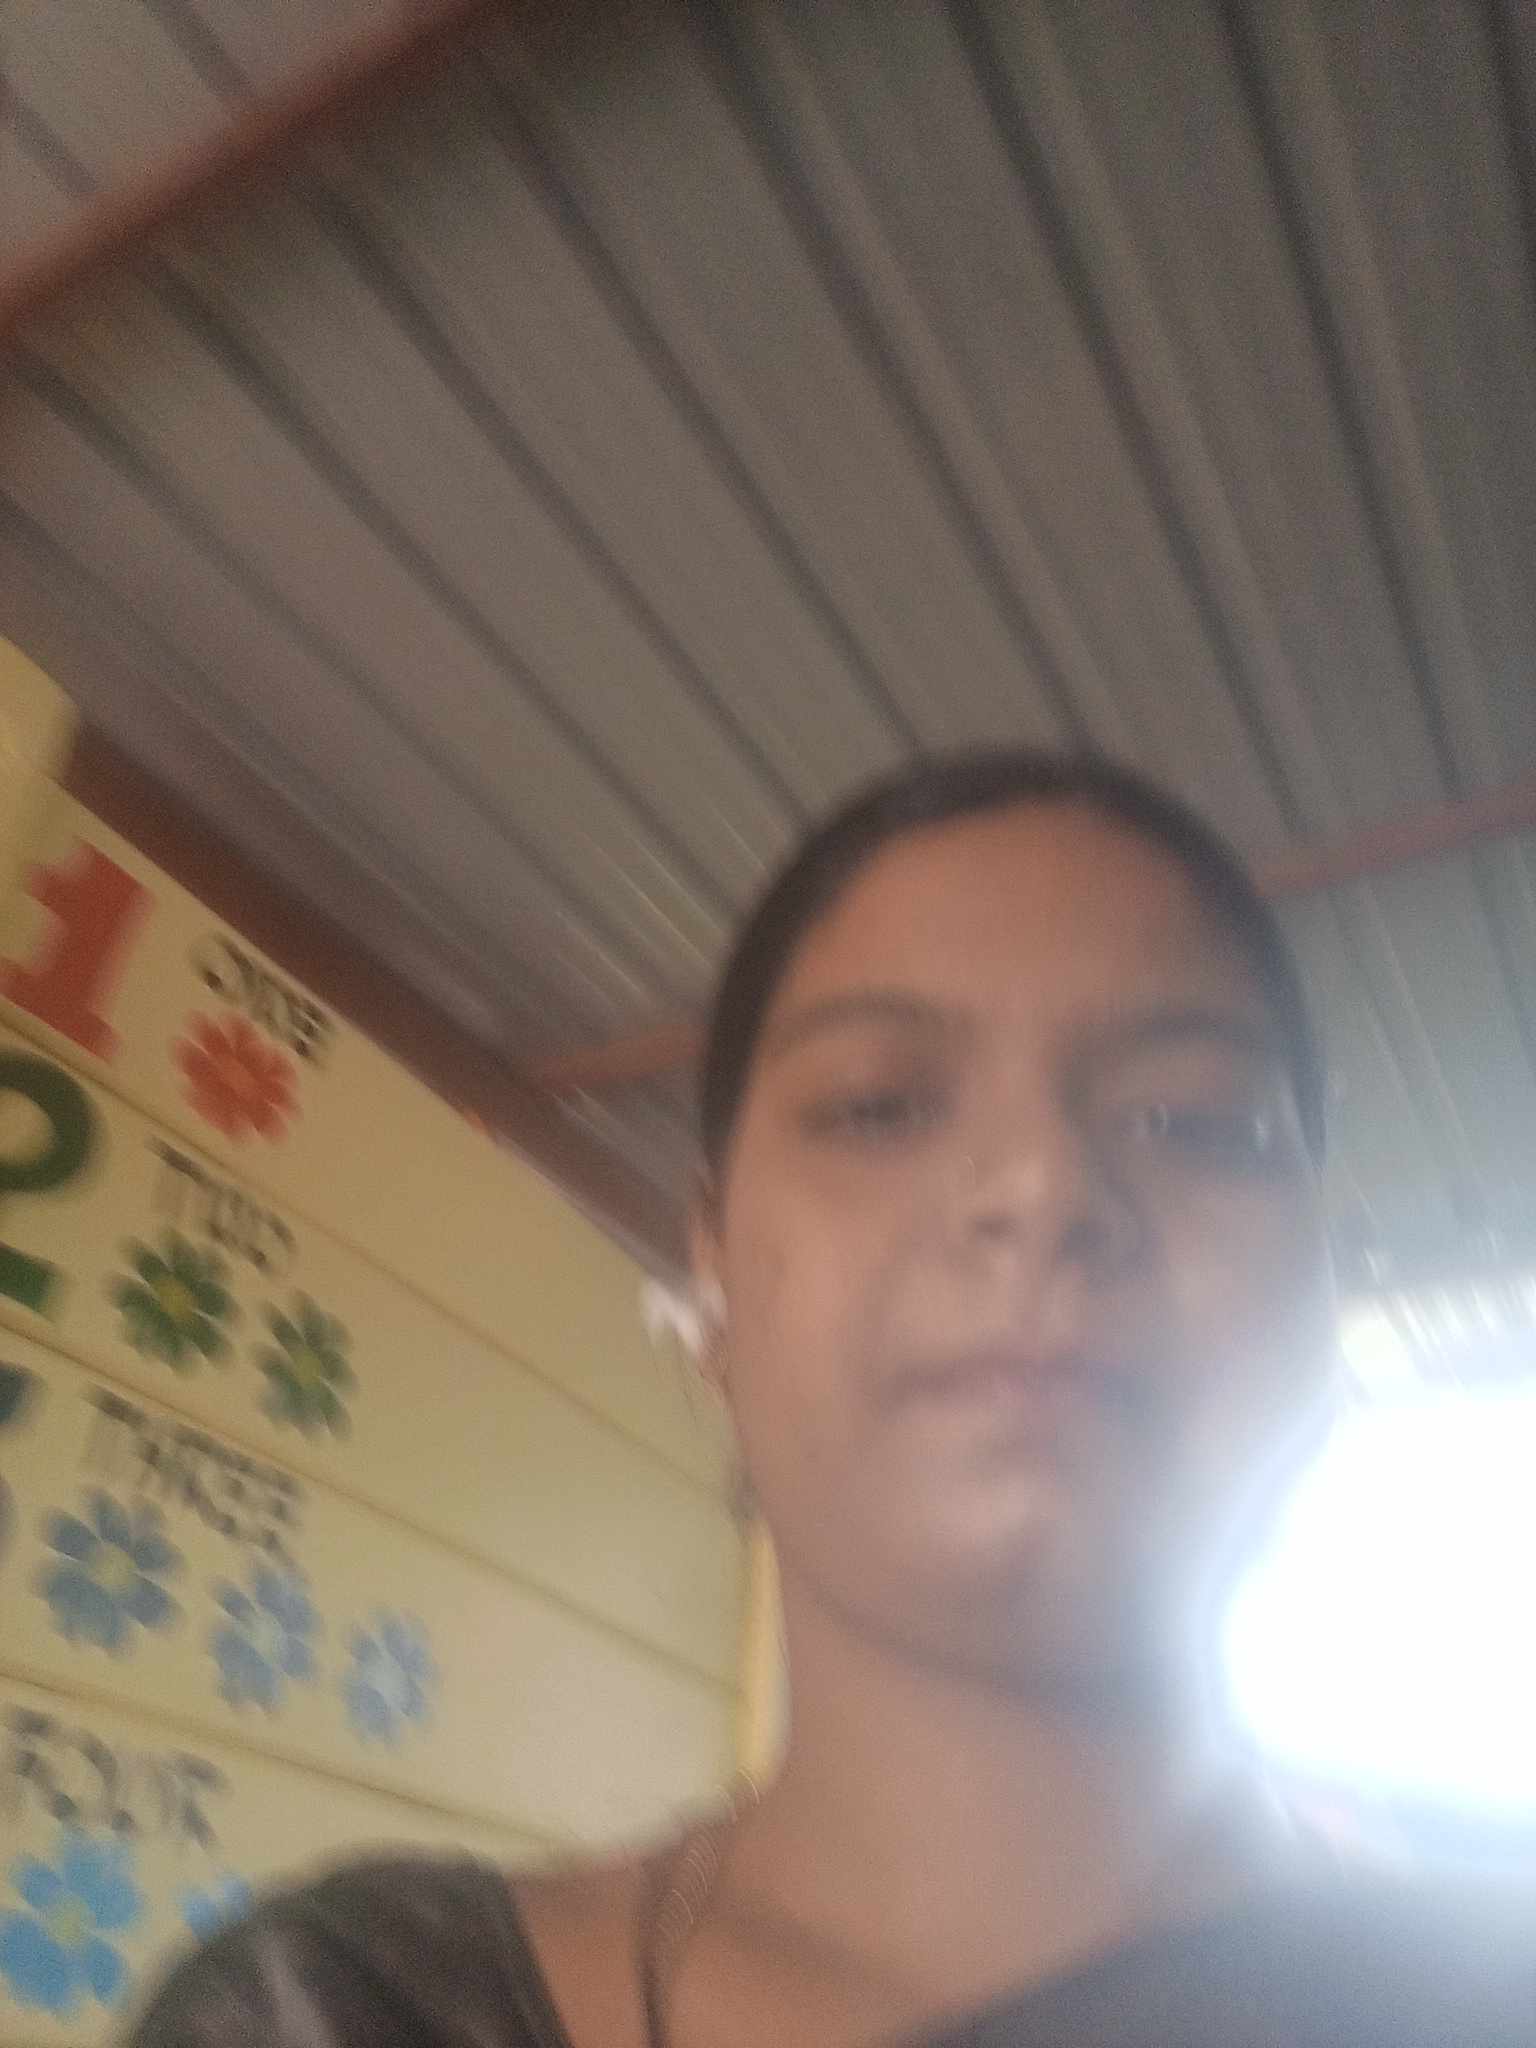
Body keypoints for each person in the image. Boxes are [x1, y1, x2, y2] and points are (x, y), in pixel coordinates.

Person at [129, 753, 1532, 2047]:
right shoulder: (348, 2015)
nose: (1041, 1186)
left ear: (1319, 1295)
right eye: (877, 1105)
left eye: (1195, 1119)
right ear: (714, 1272)